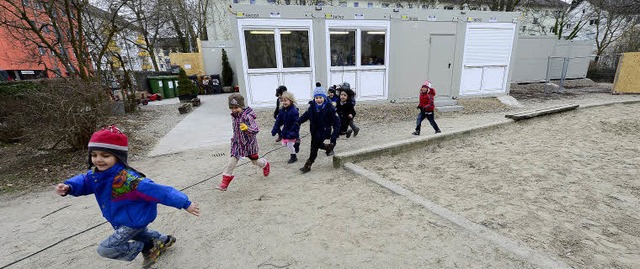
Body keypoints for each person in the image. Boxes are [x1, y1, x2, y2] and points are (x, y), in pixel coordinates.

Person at [54, 125, 200, 269]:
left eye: (105, 156)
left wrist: (185, 203)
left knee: (106, 249)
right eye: (94, 155)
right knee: (140, 234)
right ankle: (165, 240)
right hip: (123, 218)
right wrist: (69, 187)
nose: (98, 160)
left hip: (134, 220)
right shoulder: (96, 175)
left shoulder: (130, 180)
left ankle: (149, 247)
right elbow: (85, 181)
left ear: (118, 157)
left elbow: (162, 192)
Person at [216, 93, 270, 191]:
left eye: (236, 107)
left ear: (242, 106)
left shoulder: (248, 116)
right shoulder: (234, 116)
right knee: (232, 160)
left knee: (254, 161)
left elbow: (255, 129)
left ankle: (265, 164)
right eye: (231, 108)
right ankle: (224, 183)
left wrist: (247, 128)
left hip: (249, 144)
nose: (234, 110)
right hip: (237, 143)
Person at [297, 83, 341, 173]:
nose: (318, 100)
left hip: (325, 131)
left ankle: (308, 164)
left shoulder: (330, 108)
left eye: (320, 97)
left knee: (314, 147)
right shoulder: (312, 107)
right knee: (316, 145)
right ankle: (328, 148)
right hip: (314, 130)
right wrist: (298, 122)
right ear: (314, 98)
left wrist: (334, 136)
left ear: (324, 98)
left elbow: (337, 123)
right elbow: (306, 116)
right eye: (317, 98)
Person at [271, 91, 300, 164]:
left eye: (286, 101)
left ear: (291, 100)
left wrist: (293, 133)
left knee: (290, 144)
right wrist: (275, 129)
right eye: (282, 101)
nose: (284, 102)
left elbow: (296, 123)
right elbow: (278, 121)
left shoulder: (294, 111)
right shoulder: (282, 111)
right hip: (286, 130)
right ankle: (296, 143)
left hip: (293, 131)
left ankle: (293, 157)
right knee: (284, 144)